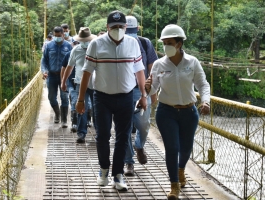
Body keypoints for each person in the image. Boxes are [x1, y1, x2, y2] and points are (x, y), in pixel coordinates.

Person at [76, 10, 147, 191]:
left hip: (126, 97)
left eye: (121, 26)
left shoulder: (133, 44)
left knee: (123, 137)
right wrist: (81, 99)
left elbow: (139, 70)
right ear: (107, 27)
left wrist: (144, 96)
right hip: (102, 98)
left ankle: (118, 174)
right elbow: (87, 72)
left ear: (126, 27)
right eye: (114, 27)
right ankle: (103, 170)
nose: (118, 29)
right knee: (102, 136)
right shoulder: (96, 44)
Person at [145, 24, 210, 200]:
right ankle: (174, 185)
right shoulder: (159, 64)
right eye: (164, 43)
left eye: (170, 42)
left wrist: (205, 101)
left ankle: (181, 169)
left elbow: (203, 84)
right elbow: (152, 91)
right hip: (166, 112)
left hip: (189, 112)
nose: (166, 46)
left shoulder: (192, 62)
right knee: (172, 148)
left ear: (179, 44)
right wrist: (147, 87)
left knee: (186, 147)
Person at [123, 16, 158, 176]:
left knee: (143, 125)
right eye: (127, 31)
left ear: (137, 29)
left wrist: (153, 93)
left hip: (141, 89)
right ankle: (129, 162)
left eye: (132, 31)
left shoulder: (145, 43)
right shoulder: (117, 44)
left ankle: (139, 145)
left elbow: (152, 69)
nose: (130, 34)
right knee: (124, 127)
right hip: (122, 91)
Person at [60, 27, 97, 143]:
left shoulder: (97, 48)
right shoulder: (75, 50)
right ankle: (81, 133)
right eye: (83, 40)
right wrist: (63, 82)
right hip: (80, 83)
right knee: (81, 108)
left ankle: (99, 133)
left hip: (96, 84)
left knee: (97, 109)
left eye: (87, 40)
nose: (85, 42)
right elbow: (69, 67)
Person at [41, 26, 72, 128]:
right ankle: (57, 113)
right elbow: (44, 60)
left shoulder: (69, 46)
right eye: (55, 36)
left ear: (63, 35)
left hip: (64, 76)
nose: (57, 37)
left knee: (64, 97)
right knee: (51, 97)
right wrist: (44, 71)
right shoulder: (49, 46)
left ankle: (64, 120)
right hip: (52, 75)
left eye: (59, 36)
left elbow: (72, 62)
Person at [61, 49, 78, 132]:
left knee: (88, 104)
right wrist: (63, 82)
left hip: (88, 82)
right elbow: (66, 67)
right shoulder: (70, 53)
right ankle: (74, 122)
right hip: (73, 81)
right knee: (74, 101)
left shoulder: (92, 51)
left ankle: (87, 122)